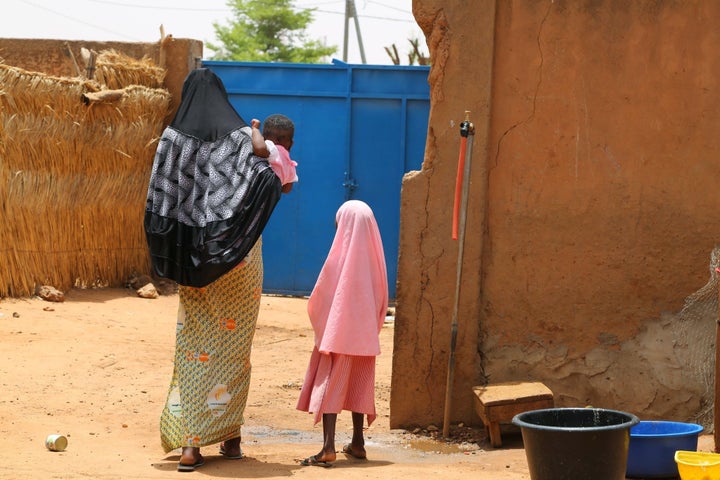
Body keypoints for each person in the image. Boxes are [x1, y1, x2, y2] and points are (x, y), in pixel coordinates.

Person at [144, 68, 283, 472]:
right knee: (234, 350)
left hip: (193, 258)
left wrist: (173, 251)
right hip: (239, 257)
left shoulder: (172, 141)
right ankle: (231, 438)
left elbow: (158, 200)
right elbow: (268, 181)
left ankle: (190, 447)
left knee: (195, 348)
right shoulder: (243, 138)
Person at [296, 200, 389, 468]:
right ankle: (358, 442)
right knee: (360, 384)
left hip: (338, 336)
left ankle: (328, 448)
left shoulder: (340, 257)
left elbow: (321, 296)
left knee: (331, 386)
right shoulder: (375, 259)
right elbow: (383, 298)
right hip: (365, 338)